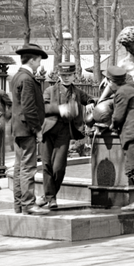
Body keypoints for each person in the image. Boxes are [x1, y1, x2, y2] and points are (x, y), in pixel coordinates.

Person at [104, 65, 134, 210]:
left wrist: (111, 124)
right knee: (133, 165)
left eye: (108, 81)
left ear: (111, 81)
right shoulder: (131, 88)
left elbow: (118, 117)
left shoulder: (122, 92)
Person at [40, 61, 87, 208]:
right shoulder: (50, 90)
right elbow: (43, 108)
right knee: (47, 164)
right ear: (59, 75)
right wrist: (60, 109)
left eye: (69, 75)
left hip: (64, 132)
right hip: (48, 131)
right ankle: (51, 197)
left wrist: (92, 103)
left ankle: (48, 195)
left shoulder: (78, 93)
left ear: (74, 76)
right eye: (63, 75)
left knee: (59, 168)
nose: (66, 78)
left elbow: (92, 99)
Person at [8, 43, 48, 215]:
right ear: (32, 60)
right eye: (38, 61)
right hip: (27, 129)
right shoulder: (27, 79)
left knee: (19, 167)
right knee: (28, 168)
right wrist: (37, 129)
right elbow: (29, 108)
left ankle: (19, 204)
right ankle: (28, 204)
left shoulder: (17, 76)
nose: (39, 64)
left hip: (18, 129)